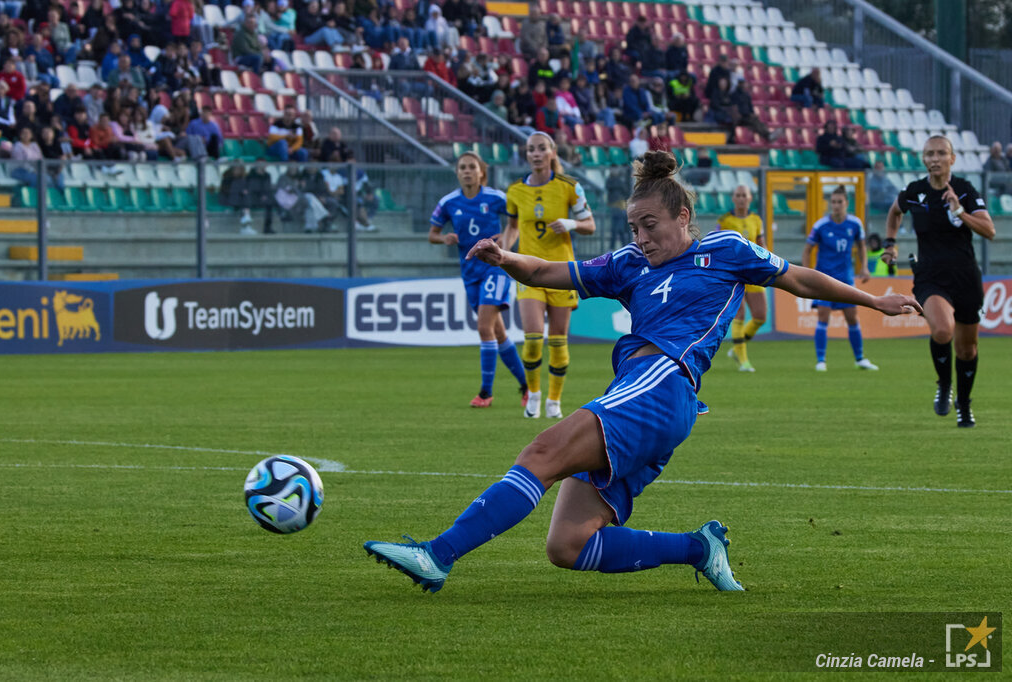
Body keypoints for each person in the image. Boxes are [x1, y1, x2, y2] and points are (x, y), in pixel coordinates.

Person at [363, 150, 921, 594]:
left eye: (650, 225)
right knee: (569, 545)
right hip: (644, 396)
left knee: (541, 454)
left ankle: (436, 555)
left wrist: (875, 301)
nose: (641, 237)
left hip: (664, 381)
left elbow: (799, 278)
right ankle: (699, 548)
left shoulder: (726, 249)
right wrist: (506, 260)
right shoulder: (630, 264)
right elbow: (550, 269)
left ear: (683, 216)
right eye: (633, 227)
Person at [882, 135, 995, 428]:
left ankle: (965, 405)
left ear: (952, 159)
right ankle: (945, 385)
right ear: (923, 159)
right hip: (929, 276)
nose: (935, 158)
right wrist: (890, 244)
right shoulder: (914, 191)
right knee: (943, 330)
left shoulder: (965, 190)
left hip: (965, 276)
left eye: (941, 153)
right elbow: (894, 212)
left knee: (967, 349)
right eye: (929, 153)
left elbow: (989, 230)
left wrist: (960, 211)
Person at [503, 131, 596, 419]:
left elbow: (589, 224)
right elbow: (512, 227)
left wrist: (570, 223)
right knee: (532, 337)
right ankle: (533, 395)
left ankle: (554, 401)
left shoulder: (569, 186)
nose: (536, 154)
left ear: (552, 152)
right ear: (526, 154)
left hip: (561, 271)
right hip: (528, 271)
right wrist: (502, 254)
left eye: (541, 149)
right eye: (531, 149)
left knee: (558, 339)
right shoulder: (515, 190)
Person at [429, 152, 529, 408]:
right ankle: (527, 386)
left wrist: (505, 245)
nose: (466, 171)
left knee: (484, 327)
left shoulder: (495, 197)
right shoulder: (448, 202)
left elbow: (516, 220)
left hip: (494, 269)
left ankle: (485, 393)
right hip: (470, 272)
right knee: (497, 332)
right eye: (462, 167)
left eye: (471, 167)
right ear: (457, 172)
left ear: (481, 172)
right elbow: (433, 234)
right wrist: (444, 239)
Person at [801, 186, 877, 372]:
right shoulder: (820, 225)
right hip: (824, 278)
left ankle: (860, 359)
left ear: (846, 203)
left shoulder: (855, 224)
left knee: (852, 317)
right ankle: (821, 361)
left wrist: (864, 266)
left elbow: (861, 246)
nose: (836, 205)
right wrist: (805, 272)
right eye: (833, 202)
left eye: (839, 202)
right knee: (823, 316)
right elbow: (807, 249)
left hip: (845, 278)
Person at [717, 185, 766, 372]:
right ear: (733, 198)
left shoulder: (756, 220)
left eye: (744, 195)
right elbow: (718, 244)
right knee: (740, 314)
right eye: (737, 195)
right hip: (734, 273)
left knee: (760, 316)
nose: (741, 199)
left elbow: (761, 244)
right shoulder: (725, 220)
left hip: (754, 271)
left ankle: (737, 347)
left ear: (750, 198)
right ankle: (744, 361)